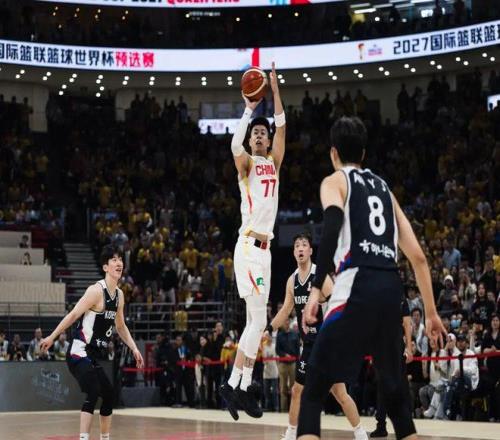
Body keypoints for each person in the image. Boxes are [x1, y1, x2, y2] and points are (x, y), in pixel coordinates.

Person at [297, 117, 446, 440]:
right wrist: (432, 313)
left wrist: (314, 291)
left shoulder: (335, 181)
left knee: (312, 393)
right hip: (391, 290)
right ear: (363, 153)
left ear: (333, 153)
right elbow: (419, 257)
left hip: (356, 285)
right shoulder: (385, 189)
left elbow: (332, 228)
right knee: (399, 407)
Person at [220, 62, 286, 420]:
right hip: (248, 247)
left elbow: (282, 125)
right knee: (258, 321)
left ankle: (239, 386)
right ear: (251, 140)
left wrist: (274, 91)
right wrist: (248, 109)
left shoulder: (274, 162)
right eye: (256, 133)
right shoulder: (245, 166)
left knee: (255, 323)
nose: (260, 136)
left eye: (263, 132)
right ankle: (236, 385)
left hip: (267, 252)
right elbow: (233, 144)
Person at [268, 233, 368, 440]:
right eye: (297, 245)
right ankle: (291, 434)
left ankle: (360, 434)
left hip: (326, 344)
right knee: (297, 390)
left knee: (340, 394)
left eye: (304, 245)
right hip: (309, 345)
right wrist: (268, 329)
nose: (300, 248)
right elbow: (286, 310)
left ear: (310, 251)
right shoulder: (292, 281)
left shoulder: (320, 277)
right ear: (294, 252)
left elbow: (338, 304)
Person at [41, 245, 144, 440]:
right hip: (78, 352)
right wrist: (51, 337)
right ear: (105, 267)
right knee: (94, 390)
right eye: (114, 260)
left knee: (109, 394)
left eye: (120, 259)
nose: (119, 263)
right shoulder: (95, 291)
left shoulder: (120, 296)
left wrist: (134, 348)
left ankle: (105, 438)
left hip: (93, 356)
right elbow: (73, 315)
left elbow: (121, 326)